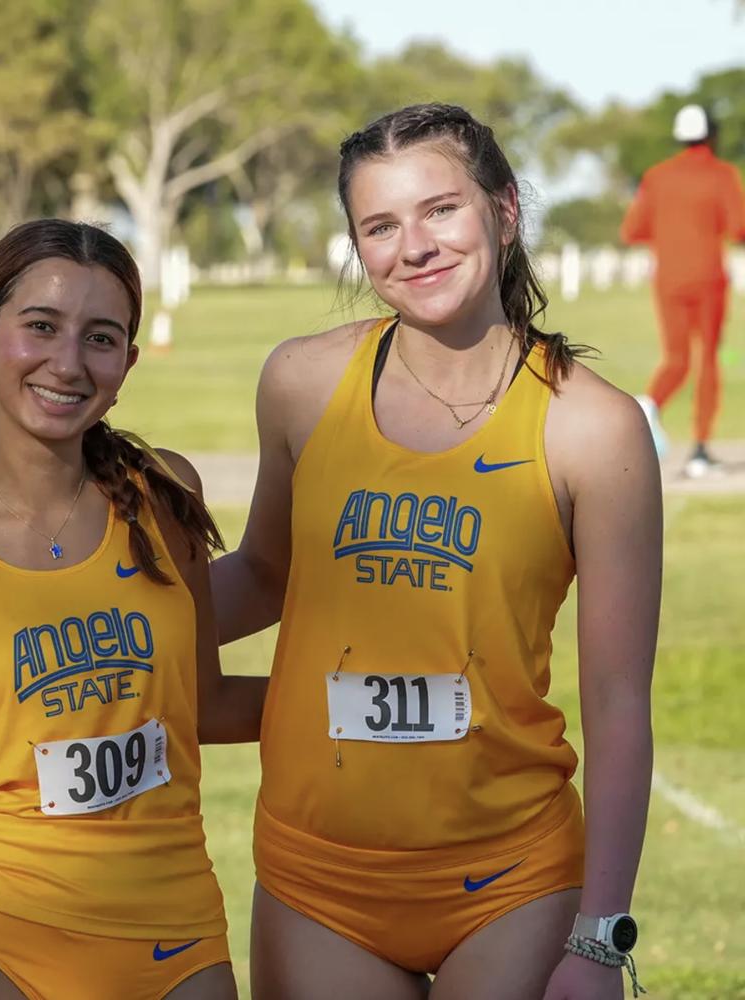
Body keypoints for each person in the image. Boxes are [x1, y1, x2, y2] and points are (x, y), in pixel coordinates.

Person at [212, 103, 657, 999]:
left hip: (511, 879)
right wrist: (102, 618)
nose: (413, 246)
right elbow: (264, 574)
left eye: (439, 210)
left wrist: (600, 940)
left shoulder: (592, 427)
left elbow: (617, 698)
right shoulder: (301, 382)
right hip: (317, 883)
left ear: (502, 210)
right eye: (380, 226)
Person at [0, 219, 263, 1000]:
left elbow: (198, 704)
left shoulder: (165, 494)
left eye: (100, 339)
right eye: (40, 327)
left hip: (177, 935)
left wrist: (363, 697)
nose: (67, 363)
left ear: (127, 363)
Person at [620, 102, 745, 477]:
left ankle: (650, 402)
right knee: (707, 358)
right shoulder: (723, 174)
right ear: (712, 134)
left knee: (676, 358)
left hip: (668, 280)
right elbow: (739, 228)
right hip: (708, 279)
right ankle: (700, 451)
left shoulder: (656, 177)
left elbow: (632, 231)